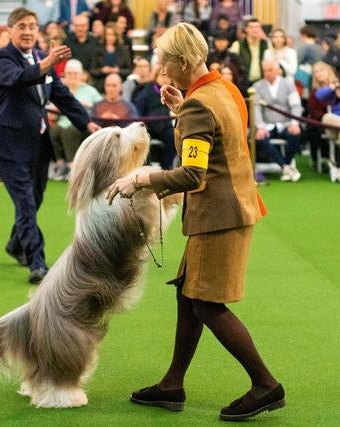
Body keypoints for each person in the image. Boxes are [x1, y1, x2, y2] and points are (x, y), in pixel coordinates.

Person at [106, 22, 282, 422]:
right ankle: (172, 384)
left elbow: (192, 176)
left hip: (219, 214)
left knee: (205, 302)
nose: (161, 69)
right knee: (188, 294)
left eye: (165, 61)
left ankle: (265, 385)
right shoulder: (224, 89)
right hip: (235, 206)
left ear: (182, 61)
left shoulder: (197, 105)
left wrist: (142, 179)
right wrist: (179, 108)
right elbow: (220, 138)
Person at [0, 7, 100, 284]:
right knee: (25, 202)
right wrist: (48, 62)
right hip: (10, 145)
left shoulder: (40, 58)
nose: (27, 31)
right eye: (22, 26)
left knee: (35, 198)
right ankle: (37, 262)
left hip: (38, 143)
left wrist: (86, 124)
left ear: (37, 31)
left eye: (32, 26)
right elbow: (18, 78)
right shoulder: (2, 58)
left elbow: (61, 96)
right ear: (11, 30)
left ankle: (15, 245)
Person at [49, 59, 102, 180]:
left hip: (83, 125)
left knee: (69, 131)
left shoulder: (90, 91)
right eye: (70, 73)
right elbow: (51, 109)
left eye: (76, 73)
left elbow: (100, 107)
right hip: (61, 122)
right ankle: (60, 163)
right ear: (65, 75)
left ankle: (72, 166)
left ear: (81, 75)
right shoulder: (59, 89)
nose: (73, 76)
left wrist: (88, 105)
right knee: (53, 130)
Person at [253, 58, 303, 182]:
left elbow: (296, 105)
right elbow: (256, 108)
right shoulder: (257, 86)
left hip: (285, 123)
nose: (267, 73)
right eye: (265, 70)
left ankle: (284, 165)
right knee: (261, 138)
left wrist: (294, 123)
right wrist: (260, 127)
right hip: (267, 125)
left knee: (295, 134)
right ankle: (286, 167)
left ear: (278, 71)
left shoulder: (288, 84)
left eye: (270, 70)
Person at [134, 67, 175, 168]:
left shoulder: (174, 93)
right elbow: (138, 113)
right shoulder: (145, 91)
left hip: (166, 126)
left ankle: (166, 168)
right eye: (162, 75)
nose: (165, 79)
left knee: (175, 137)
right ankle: (145, 167)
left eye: (168, 76)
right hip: (148, 127)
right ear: (155, 77)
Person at [229, 17, 269, 89]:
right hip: (243, 83)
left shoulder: (266, 44)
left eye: (257, 27)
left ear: (261, 29)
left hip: (263, 83)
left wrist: (266, 39)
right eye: (251, 27)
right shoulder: (238, 45)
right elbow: (231, 63)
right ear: (246, 29)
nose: (254, 29)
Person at [89, 22, 132, 90]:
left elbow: (129, 70)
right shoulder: (97, 49)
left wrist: (118, 71)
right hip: (101, 85)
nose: (110, 37)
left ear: (116, 36)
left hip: (119, 85)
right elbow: (92, 70)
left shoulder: (124, 50)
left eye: (113, 35)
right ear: (104, 35)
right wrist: (102, 70)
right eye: (108, 34)